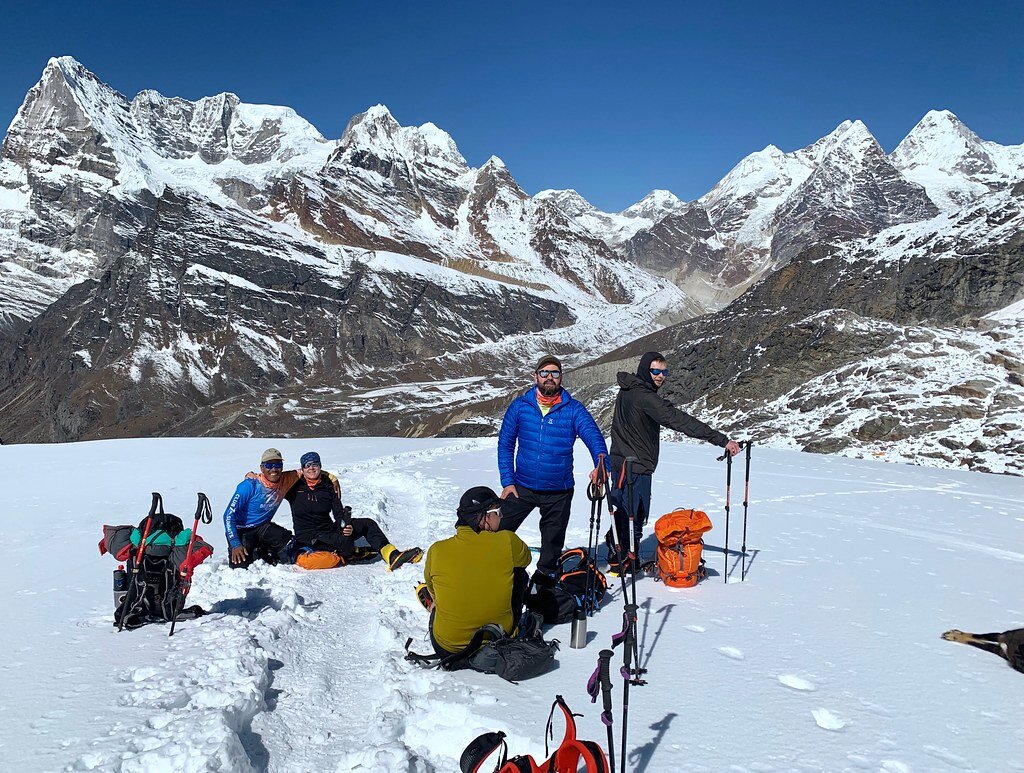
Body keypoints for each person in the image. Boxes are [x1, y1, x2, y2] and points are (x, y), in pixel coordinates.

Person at [607, 351, 741, 572]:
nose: (660, 376)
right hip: (636, 467)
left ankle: (618, 554)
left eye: (664, 372)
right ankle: (628, 561)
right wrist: (722, 440)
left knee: (623, 512)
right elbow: (679, 420)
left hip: (622, 463)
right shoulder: (644, 397)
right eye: (655, 371)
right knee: (635, 517)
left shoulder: (627, 390)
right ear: (644, 370)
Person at [497, 354, 609, 584]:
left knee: (551, 547)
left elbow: (594, 437)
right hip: (521, 487)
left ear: (561, 378)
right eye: (544, 373)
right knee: (498, 534)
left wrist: (601, 464)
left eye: (555, 373)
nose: (549, 377)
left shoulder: (574, 409)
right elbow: (505, 444)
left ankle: (543, 584)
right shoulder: (520, 407)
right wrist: (508, 481)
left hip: (559, 491)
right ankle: (494, 571)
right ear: (535, 376)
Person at [421, 487, 532, 656]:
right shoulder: (507, 540)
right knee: (519, 573)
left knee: (438, 589)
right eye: (498, 511)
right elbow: (526, 559)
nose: (502, 516)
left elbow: (432, 589)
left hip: (447, 646)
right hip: (500, 637)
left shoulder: (436, 550)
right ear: (485, 516)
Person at [286, 451, 422, 570]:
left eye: (315, 464)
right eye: (307, 465)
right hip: (308, 536)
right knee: (344, 543)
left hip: (328, 529)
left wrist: (346, 525)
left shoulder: (328, 485)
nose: (311, 468)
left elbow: (338, 511)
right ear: (302, 469)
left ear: (320, 466)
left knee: (368, 524)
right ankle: (351, 553)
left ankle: (391, 555)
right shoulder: (294, 486)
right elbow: (276, 479)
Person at [224, 448, 305, 568]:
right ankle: (254, 551)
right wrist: (235, 544)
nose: (273, 469)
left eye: (277, 465)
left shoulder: (287, 478)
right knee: (240, 567)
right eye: (269, 465)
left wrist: (332, 478)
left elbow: (309, 470)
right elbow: (228, 516)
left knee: (288, 541)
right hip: (241, 529)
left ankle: (262, 550)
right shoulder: (249, 486)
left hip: (262, 527)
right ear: (262, 468)